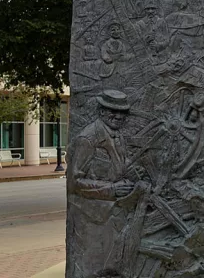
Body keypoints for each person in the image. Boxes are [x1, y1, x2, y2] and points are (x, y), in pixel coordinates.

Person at [67, 90, 149, 277]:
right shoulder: (87, 139)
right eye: (113, 111)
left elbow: (120, 166)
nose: (118, 116)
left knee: (112, 266)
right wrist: (112, 189)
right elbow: (74, 181)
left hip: (111, 213)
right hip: (91, 216)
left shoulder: (117, 136)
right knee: (93, 267)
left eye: (122, 113)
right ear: (101, 111)